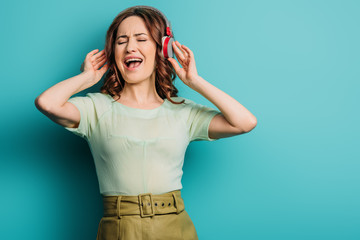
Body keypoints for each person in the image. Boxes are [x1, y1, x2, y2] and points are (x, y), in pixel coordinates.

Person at [34, 5, 257, 240]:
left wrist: (195, 81)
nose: (130, 47)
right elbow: (47, 103)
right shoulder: (95, 108)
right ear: (112, 53)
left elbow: (244, 122)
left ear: (163, 49)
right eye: (121, 41)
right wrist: (87, 77)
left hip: (174, 226)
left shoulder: (183, 111)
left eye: (141, 39)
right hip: (119, 228)